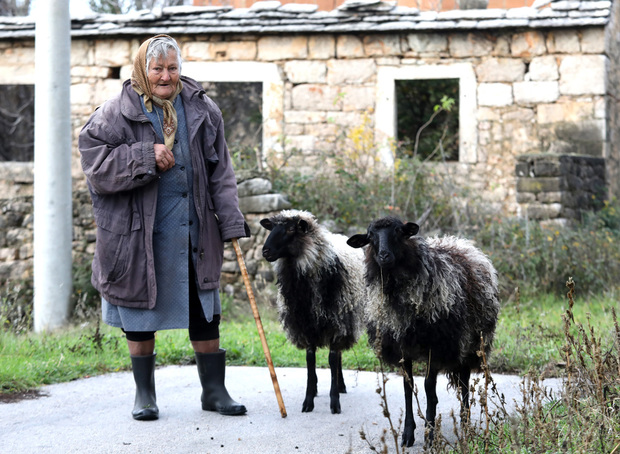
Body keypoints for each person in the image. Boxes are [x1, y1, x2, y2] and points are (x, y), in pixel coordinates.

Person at [78, 34, 250, 421]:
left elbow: (221, 171)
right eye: (157, 68)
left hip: (193, 227)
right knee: (140, 313)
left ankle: (214, 391)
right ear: (143, 69)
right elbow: (95, 166)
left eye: (172, 68)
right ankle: (145, 395)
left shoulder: (203, 109)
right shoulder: (114, 113)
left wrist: (231, 220)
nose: (165, 76)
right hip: (139, 232)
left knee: (205, 312)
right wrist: (143, 155)